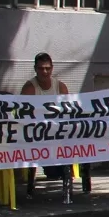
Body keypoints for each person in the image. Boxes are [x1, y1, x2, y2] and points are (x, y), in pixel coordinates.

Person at [21, 53, 71, 185]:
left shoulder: (60, 87)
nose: (45, 71)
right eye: (41, 68)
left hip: (58, 132)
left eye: (47, 68)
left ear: (52, 68)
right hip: (38, 134)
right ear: (35, 69)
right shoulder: (30, 88)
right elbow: (24, 115)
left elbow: (67, 112)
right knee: (53, 173)